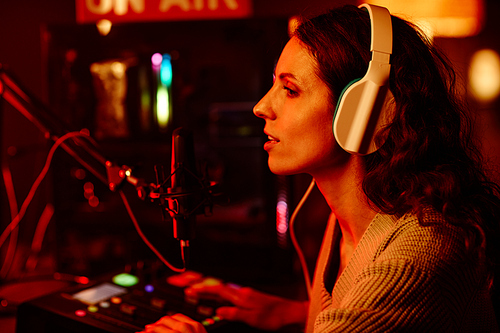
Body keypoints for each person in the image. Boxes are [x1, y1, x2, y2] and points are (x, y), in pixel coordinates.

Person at [139, 3, 500, 333]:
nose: (262, 107)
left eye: (290, 90)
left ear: (363, 112)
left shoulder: (411, 262)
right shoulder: (351, 216)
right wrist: (293, 313)